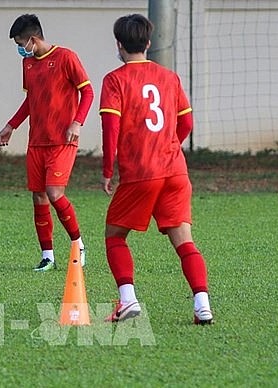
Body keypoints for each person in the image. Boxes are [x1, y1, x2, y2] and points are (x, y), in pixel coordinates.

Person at [99, 14, 214, 324]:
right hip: (176, 171)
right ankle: (202, 305)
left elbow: (111, 128)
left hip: (141, 173)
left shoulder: (115, 80)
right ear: (148, 44)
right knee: (185, 241)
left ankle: (128, 300)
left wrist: (108, 169)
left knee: (114, 236)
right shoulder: (170, 77)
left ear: (119, 45)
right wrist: (169, 144)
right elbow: (186, 122)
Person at [0, 14, 94, 272]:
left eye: (20, 43)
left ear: (33, 39)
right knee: (38, 197)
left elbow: (88, 91)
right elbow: (31, 101)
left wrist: (77, 122)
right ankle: (47, 255)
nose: (19, 49)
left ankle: (78, 245)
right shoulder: (28, 64)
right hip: (36, 142)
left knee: (54, 193)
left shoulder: (66, 57)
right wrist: (10, 126)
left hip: (62, 140)